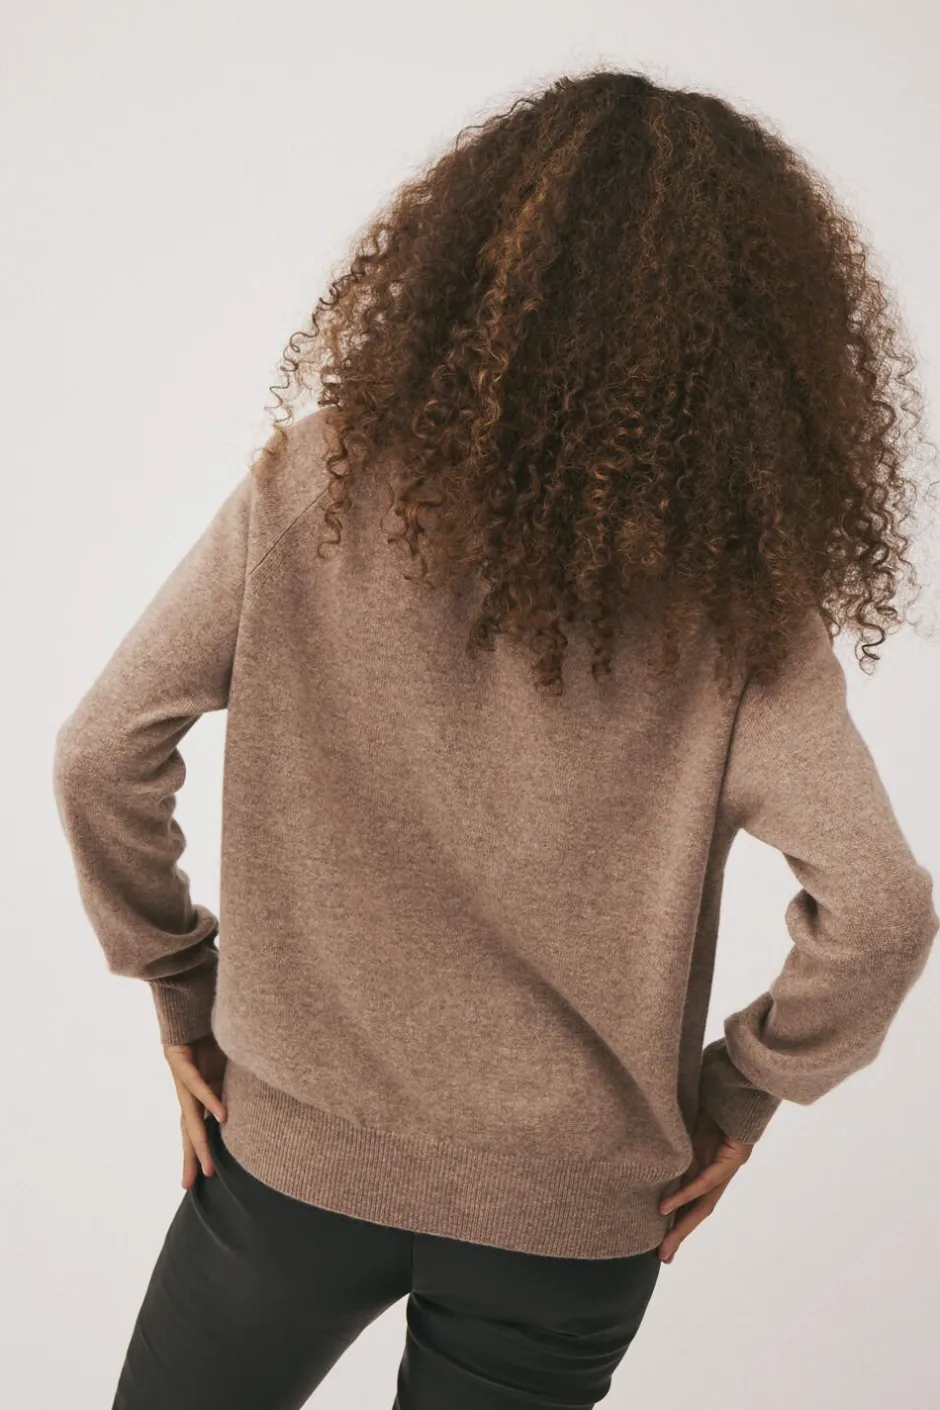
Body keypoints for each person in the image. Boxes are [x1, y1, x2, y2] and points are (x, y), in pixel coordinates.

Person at [52, 65, 938, 1410]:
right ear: (760, 343)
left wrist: (183, 987)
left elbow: (101, 751)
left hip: (290, 1167)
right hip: (567, 1227)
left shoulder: (318, 485)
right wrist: (740, 1096)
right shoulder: (738, 606)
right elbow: (880, 909)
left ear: (477, 263)